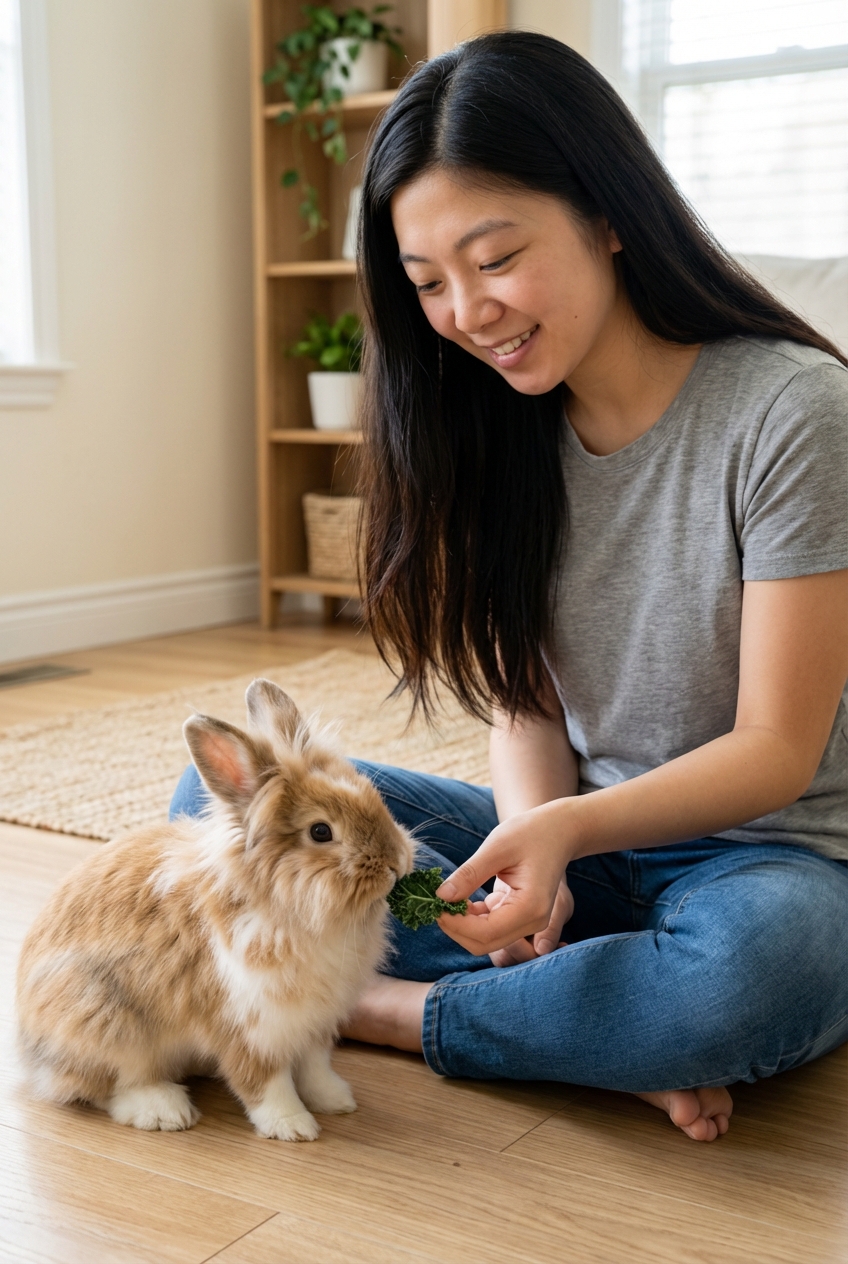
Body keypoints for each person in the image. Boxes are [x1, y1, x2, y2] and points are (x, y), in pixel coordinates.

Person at [171, 32, 848, 1142]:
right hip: (583, 845)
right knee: (226, 809)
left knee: (736, 986)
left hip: (772, 863)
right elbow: (527, 705)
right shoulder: (494, 433)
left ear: (609, 212)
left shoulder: (791, 411)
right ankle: (572, 1014)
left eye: (493, 260)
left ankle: (392, 1010)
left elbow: (774, 746)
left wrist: (560, 834)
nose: (466, 313)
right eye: (427, 282)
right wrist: (531, 865)